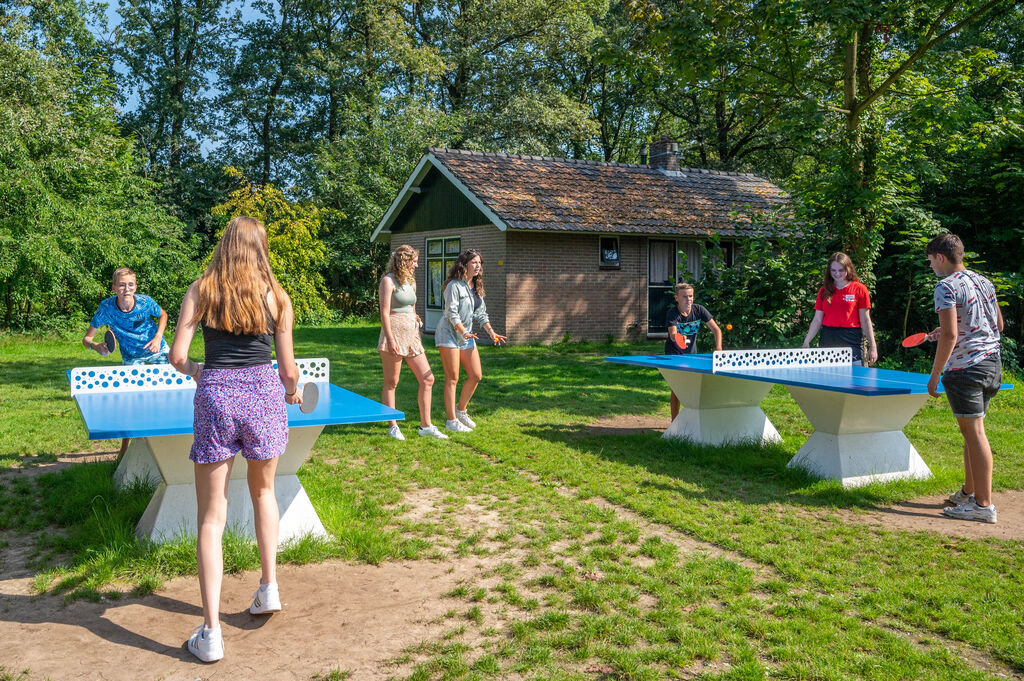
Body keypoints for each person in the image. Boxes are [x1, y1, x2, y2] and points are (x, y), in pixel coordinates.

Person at [169, 216, 302, 662]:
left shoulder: (202, 290)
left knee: (211, 515)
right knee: (264, 492)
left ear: (225, 245)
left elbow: (178, 357)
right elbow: (287, 370)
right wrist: (291, 389)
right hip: (264, 395)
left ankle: (210, 634)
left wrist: (198, 371)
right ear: (261, 248)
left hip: (216, 396)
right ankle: (269, 588)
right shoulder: (277, 296)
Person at [924, 233, 1004, 524]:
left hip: (965, 370)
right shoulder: (984, 282)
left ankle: (983, 506)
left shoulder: (945, 286)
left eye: (931, 260)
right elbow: (998, 324)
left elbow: (950, 334)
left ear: (941, 258)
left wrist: (935, 375)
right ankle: (969, 493)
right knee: (972, 432)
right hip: (992, 364)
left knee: (975, 434)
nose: (931, 266)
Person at [82, 267, 170, 457]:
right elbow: (86, 339)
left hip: (157, 349)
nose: (126, 289)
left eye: (130, 285)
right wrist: (96, 346)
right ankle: (123, 450)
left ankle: (168, 438)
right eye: (122, 285)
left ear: (135, 287)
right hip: (131, 356)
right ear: (114, 288)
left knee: (171, 390)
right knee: (130, 400)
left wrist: (158, 337)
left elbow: (163, 315)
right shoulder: (106, 308)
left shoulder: (146, 303)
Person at [378, 245, 447, 440]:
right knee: (392, 382)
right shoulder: (387, 281)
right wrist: (390, 340)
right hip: (393, 335)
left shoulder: (411, 281)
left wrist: (416, 318)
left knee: (428, 378)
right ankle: (393, 426)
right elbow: (384, 313)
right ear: (403, 261)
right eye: (414, 261)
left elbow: (412, 308)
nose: (417, 265)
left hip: (412, 336)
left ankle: (426, 426)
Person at [434, 249, 506, 433]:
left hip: (467, 335)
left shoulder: (477, 287)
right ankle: (451, 421)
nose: (478, 266)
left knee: (476, 375)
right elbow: (451, 312)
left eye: (479, 263)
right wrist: (463, 331)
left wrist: (491, 332)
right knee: (452, 378)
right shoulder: (453, 286)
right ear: (464, 264)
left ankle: (461, 411)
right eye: (474, 262)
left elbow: (481, 314)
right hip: (449, 334)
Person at [802, 252, 878, 366]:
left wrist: (873, 346)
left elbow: (865, 320)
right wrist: (806, 341)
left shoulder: (859, 289)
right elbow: (817, 320)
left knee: (855, 380)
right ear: (829, 271)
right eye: (833, 270)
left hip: (852, 338)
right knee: (827, 379)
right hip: (828, 337)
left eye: (841, 270)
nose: (837, 273)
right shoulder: (824, 290)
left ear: (848, 268)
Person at [665, 282, 723, 420]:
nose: (688, 299)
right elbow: (672, 333)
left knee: (694, 388)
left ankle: (694, 417)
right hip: (675, 356)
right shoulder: (673, 313)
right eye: (684, 296)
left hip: (692, 355)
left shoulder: (699, 310)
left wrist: (719, 348)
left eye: (690, 296)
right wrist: (678, 336)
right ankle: (674, 421)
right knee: (677, 389)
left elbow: (716, 330)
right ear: (677, 298)